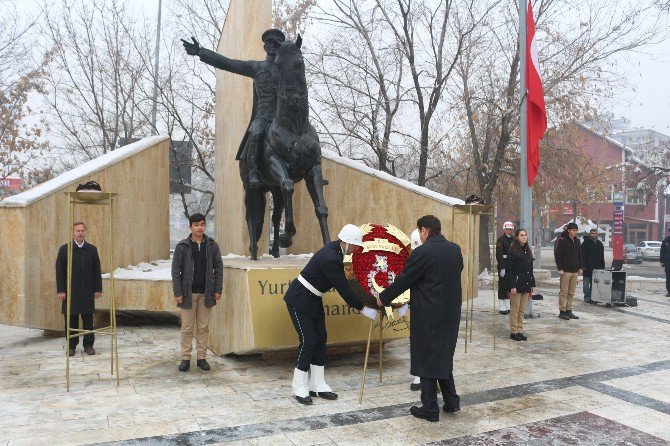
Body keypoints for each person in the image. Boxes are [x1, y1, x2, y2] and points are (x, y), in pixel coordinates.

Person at [377, 215, 463, 422]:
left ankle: (430, 408)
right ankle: (451, 401)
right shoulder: (455, 250)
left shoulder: (422, 252)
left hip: (428, 314)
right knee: (443, 355)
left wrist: (384, 297)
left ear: (425, 230)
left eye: (420, 232)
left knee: (426, 358)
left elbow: (405, 279)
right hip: (451, 314)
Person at [284, 224, 378, 405]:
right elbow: (344, 288)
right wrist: (362, 307)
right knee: (308, 340)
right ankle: (299, 385)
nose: (357, 249)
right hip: (299, 298)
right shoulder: (331, 258)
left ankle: (317, 383)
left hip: (313, 298)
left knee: (321, 339)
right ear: (347, 243)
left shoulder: (338, 252)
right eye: (356, 246)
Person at [182, 29, 286, 188]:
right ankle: (253, 171)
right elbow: (229, 63)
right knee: (256, 132)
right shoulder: (256, 67)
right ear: (265, 47)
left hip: (283, 117)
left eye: (276, 44)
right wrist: (201, 52)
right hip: (264, 117)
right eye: (269, 44)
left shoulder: (286, 70)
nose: (272, 47)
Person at [171, 213, 223, 372]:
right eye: (196, 225)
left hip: (206, 294)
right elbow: (175, 271)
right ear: (190, 227)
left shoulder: (212, 245)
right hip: (188, 295)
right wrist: (178, 292)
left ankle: (201, 358)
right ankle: (185, 358)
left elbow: (219, 268)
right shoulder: (182, 246)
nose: (200, 227)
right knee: (187, 328)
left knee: (203, 327)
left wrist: (218, 289)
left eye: (202, 224)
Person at [56, 222, 102, 356]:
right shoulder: (65, 250)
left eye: (82, 230)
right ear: (73, 232)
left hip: (87, 291)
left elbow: (96, 270)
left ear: (85, 232)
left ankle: (88, 345)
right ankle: (71, 346)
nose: (80, 233)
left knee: (88, 319)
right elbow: (60, 271)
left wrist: (97, 288)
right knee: (71, 318)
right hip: (71, 291)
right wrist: (61, 290)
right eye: (78, 231)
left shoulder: (92, 249)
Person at [506, 229, 535, 341]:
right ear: (517, 237)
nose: (524, 237)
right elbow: (509, 270)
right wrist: (512, 286)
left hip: (526, 284)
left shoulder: (527, 250)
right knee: (515, 309)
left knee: (522, 309)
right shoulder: (513, 250)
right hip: (516, 285)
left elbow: (530, 269)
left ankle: (519, 330)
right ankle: (513, 331)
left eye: (525, 235)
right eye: (521, 235)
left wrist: (532, 283)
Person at [554, 222, 583, 320]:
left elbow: (580, 254)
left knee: (571, 292)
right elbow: (558, 255)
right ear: (568, 230)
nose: (575, 232)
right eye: (573, 230)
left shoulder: (577, 241)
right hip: (565, 270)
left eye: (576, 230)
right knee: (563, 292)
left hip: (575, 270)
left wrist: (580, 267)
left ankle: (569, 310)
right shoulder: (562, 240)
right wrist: (560, 268)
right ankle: (562, 311)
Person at [495, 221, 515, 315]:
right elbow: (499, 255)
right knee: (502, 285)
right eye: (508, 229)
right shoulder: (500, 240)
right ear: (505, 229)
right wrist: (502, 267)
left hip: (511, 266)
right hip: (504, 265)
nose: (509, 231)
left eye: (510, 229)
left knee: (510, 285)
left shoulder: (514, 239)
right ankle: (501, 304)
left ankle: (507, 303)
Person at [581, 227, 605, 303]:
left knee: (594, 283)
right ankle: (587, 297)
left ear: (597, 234)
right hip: (587, 267)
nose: (594, 234)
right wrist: (583, 266)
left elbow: (602, 256)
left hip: (597, 267)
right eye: (592, 233)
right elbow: (582, 255)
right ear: (590, 234)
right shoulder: (585, 243)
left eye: (595, 233)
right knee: (586, 284)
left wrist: (602, 267)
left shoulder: (600, 244)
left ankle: (593, 297)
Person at [661, 228, 670, 297]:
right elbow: (662, 251)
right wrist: (661, 261)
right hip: (668, 263)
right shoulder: (666, 241)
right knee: (668, 277)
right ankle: (669, 291)